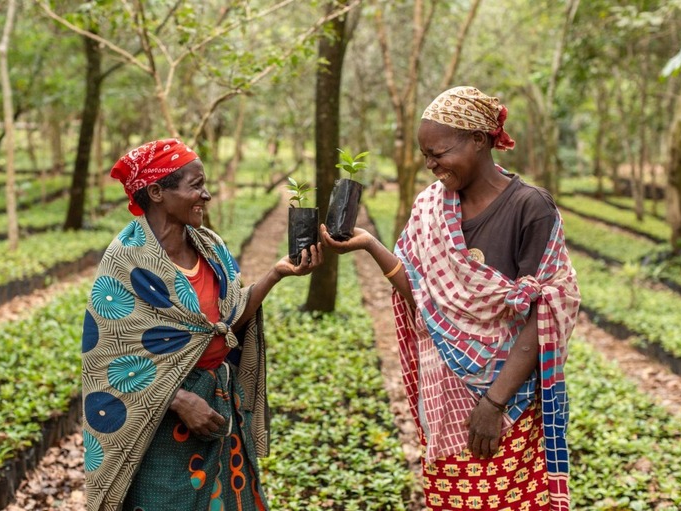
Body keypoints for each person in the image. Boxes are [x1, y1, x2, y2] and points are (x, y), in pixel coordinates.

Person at [321, 86, 581, 511]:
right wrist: (369, 244)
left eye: (439, 152)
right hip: (444, 401)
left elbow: (546, 311)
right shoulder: (431, 207)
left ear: (479, 139)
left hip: (509, 403)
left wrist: (493, 403)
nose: (431, 165)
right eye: (426, 155)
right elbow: (424, 297)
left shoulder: (530, 208)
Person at [80, 138, 323, 511]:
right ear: (158, 191)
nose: (206, 195)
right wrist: (177, 399)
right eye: (196, 185)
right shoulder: (126, 261)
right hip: (159, 428)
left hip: (217, 407)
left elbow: (225, 324)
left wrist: (276, 274)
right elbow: (108, 363)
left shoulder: (209, 245)